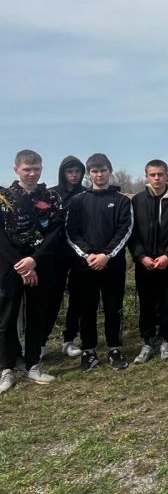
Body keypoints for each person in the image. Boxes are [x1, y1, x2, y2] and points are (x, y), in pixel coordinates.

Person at [0, 150, 62, 393]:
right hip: (9, 265)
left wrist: (34, 261)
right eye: (27, 169)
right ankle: (6, 368)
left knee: (38, 317)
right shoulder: (3, 197)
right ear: (16, 169)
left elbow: (56, 232)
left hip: (41, 263)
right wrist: (20, 264)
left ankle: (33, 364)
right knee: (6, 319)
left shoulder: (52, 197)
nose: (32, 173)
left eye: (36, 168)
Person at [66, 153, 133, 370]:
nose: (99, 174)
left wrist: (106, 255)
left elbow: (126, 229)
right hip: (85, 266)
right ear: (89, 174)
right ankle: (89, 350)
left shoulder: (122, 200)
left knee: (114, 307)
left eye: (103, 170)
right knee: (87, 308)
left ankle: (115, 348)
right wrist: (88, 255)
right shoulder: (77, 201)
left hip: (112, 264)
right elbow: (71, 231)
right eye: (95, 171)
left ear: (110, 171)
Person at [128, 159, 168, 363]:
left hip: (167, 262)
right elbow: (131, 232)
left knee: (166, 301)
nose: (156, 178)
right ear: (147, 176)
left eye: (160, 174)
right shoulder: (136, 200)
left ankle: (166, 339)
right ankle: (147, 341)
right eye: (152, 175)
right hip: (144, 261)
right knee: (146, 302)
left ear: (166, 174)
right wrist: (141, 256)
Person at [48, 156, 85, 359]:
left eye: (77, 172)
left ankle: (69, 339)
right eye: (69, 172)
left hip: (78, 253)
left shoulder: (85, 194)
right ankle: (42, 340)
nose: (73, 175)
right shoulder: (52, 194)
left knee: (77, 298)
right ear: (63, 173)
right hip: (56, 254)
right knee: (53, 298)